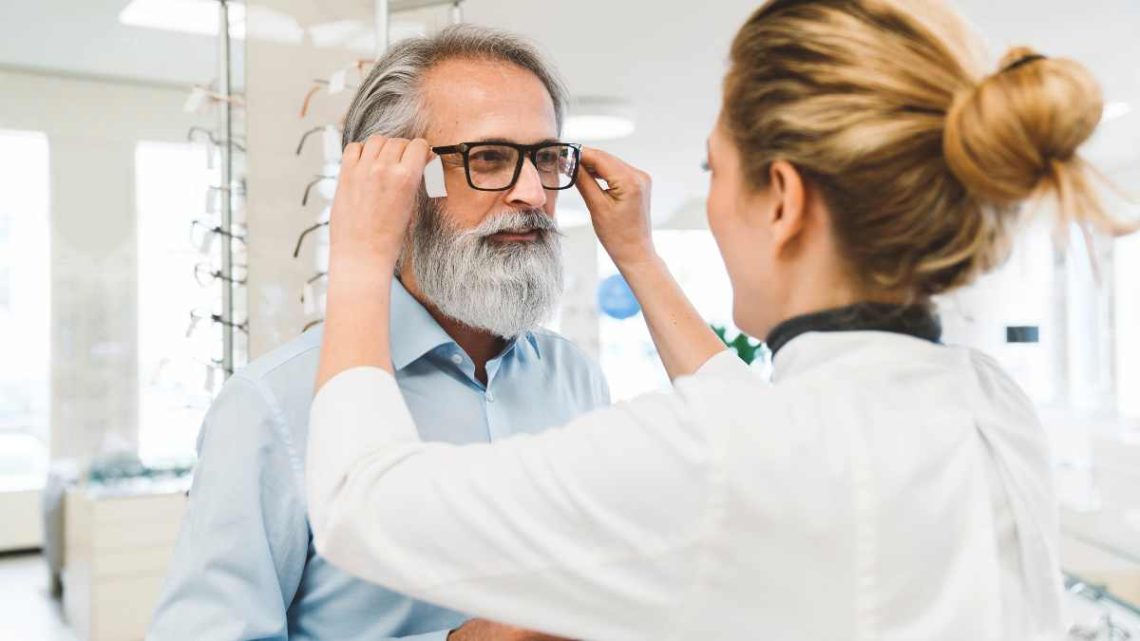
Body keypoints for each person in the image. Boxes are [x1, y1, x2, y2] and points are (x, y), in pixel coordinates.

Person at [306, 1, 1138, 640]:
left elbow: (357, 503)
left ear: (782, 198)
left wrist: (355, 259)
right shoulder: (988, 404)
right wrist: (640, 257)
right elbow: (764, 429)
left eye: (717, 170)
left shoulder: (726, 458)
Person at [147, 25, 607, 641]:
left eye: (546, 158)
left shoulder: (574, 377)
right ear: (390, 179)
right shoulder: (272, 407)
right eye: (488, 158)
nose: (531, 194)